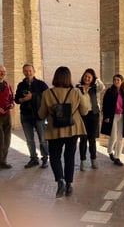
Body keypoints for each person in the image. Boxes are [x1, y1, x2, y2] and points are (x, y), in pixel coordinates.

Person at [38, 66, 88, 198]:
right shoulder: (76, 92)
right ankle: (69, 184)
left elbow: (41, 114)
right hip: (72, 129)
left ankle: (60, 180)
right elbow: (84, 111)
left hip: (55, 130)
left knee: (54, 156)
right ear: (68, 78)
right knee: (69, 156)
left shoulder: (47, 93)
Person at [14, 63, 49, 169]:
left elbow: (47, 96)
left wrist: (33, 96)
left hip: (39, 116)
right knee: (29, 140)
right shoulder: (21, 85)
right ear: (23, 72)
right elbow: (16, 99)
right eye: (25, 71)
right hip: (26, 116)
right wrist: (24, 99)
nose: (28, 73)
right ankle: (33, 158)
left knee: (42, 139)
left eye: (30, 71)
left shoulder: (41, 84)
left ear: (34, 72)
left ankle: (45, 158)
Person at [76, 68, 105, 171]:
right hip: (82, 116)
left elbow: (102, 86)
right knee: (83, 139)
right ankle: (83, 161)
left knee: (92, 139)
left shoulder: (95, 87)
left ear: (92, 78)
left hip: (93, 115)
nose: (87, 78)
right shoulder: (78, 88)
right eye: (85, 76)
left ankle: (93, 160)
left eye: (89, 77)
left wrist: (96, 79)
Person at [101, 74, 124, 166]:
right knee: (113, 136)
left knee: (121, 137)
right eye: (115, 80)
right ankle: (110, 151)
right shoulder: (109, 92)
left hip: (122, 117)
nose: (116, 81)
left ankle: (117, 157)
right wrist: (106, 117)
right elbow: (105, 104)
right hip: (112, 116)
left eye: (118, 80)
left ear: (122, 81)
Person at [0, 65, 14, 169]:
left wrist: (12, 104)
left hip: (7, 115)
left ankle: (3, 161)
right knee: (0, 139)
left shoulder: (7, 85)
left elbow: (12, 99)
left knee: (7, 139)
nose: (2, 73)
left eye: (4, 72)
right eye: (0, 72)